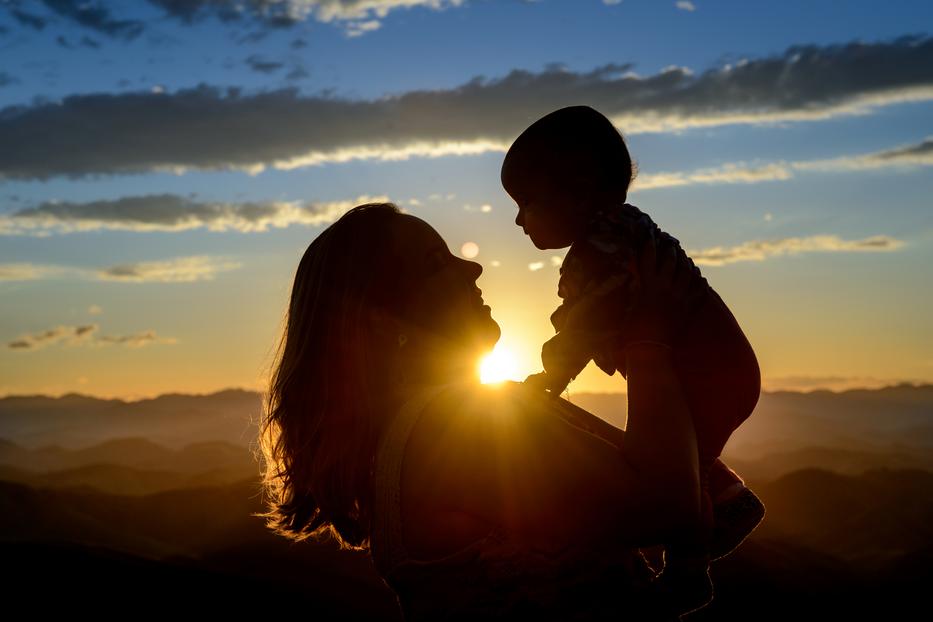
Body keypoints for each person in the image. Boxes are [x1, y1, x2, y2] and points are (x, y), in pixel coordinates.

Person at [256, 201, 715, 620]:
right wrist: (649, 340)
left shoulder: (418, 432)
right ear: (381, 319)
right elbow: (671, 509)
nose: (472, 267)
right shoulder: (452, 426)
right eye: (437, 265)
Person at [501, 105, 766, 613]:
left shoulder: (604, 249)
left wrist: (552, 374)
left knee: (669, 477)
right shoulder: (625, 232)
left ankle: (689, 570)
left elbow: (586, 321)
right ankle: (729, 501)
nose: (518, 219)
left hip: (707, 376)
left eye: (527, 202)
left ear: (578, 193)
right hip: (719, 371)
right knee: (686, 457)